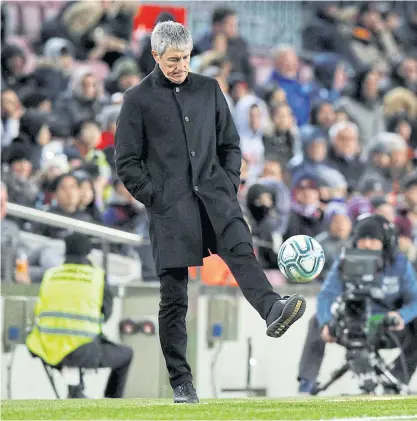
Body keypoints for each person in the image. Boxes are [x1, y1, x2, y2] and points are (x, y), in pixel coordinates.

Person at [114, 21, 306, 404]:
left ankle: (272, 310)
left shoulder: (209, 89)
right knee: (174, 298)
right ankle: (181, 382)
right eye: (172, 60)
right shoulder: (136, 100)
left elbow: (231, 144)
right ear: (155, 56)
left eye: (185, 58)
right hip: (170, 210)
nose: (180, 66)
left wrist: (228, 182)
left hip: (216, 198)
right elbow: (127, 162)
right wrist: (156, 198)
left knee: (241, 251)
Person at [297, 215, 417, 394]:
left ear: (384, 242)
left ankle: (396, 380)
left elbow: (414, 299)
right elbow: (326, 295)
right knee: (315, 322)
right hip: (350, 322)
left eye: (373, 239)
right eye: (363, 239)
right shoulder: (345, 260)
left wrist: (401, 315)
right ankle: (306, 384)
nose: (367, 244)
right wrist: (326, 323)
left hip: (384, 324)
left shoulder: (399, 263)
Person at [26, 233, 133, 399]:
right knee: (125, 354)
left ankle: (76, 390)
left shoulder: (50, 275)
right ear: (88, 253)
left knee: (80, 349)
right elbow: (106, 313)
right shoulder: (97, 277)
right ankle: (112, 402)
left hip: (44, 347)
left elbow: (39, 310)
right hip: (81, 350)